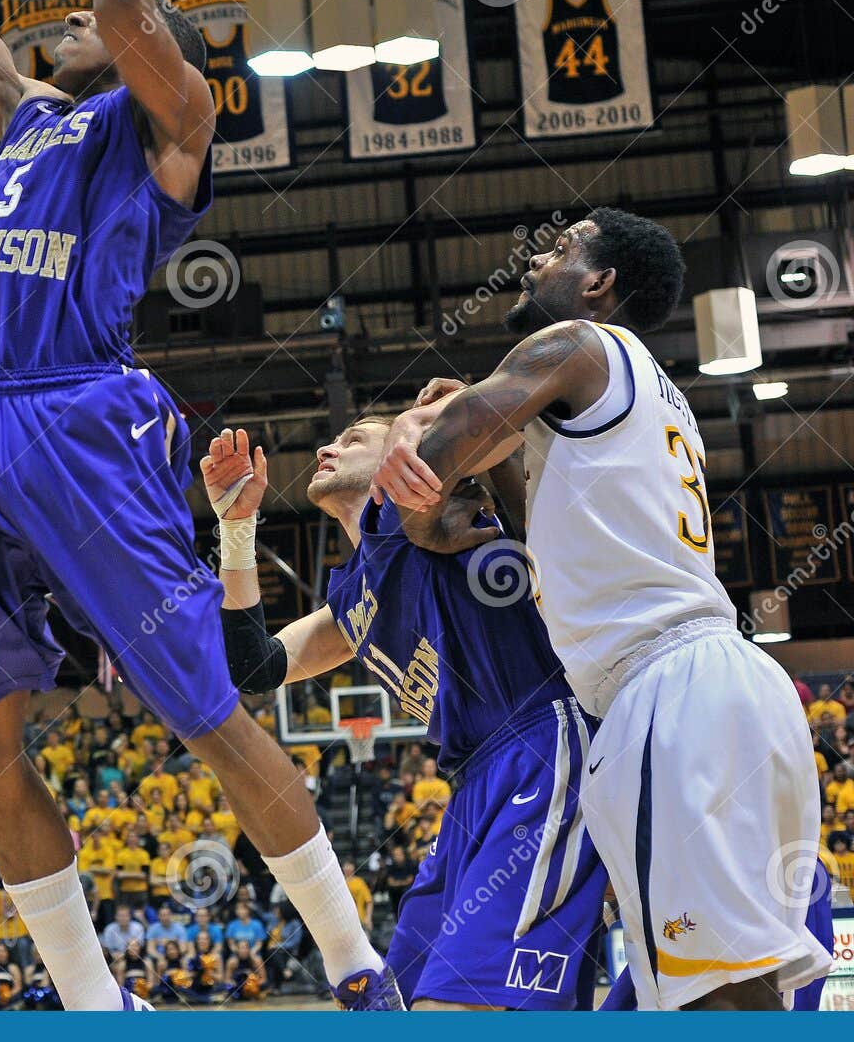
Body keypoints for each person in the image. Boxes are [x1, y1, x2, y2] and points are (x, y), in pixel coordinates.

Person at [0, 0, 388, 1010]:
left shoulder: (169, 120)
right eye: (58, 24)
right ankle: (94, 1005)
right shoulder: (25, 119)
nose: (72, 21)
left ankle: (352, 960)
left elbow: (120, 5)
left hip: (79, 414)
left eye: (94, 25)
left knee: (204, 706)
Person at [373, 206, 834, 1010]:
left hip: (669, 690)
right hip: (715, 687)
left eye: (557, 251)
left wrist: (431, 478)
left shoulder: (579, 343)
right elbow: (539, 528)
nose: (532, 262)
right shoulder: (641, 389)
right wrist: (491, 456)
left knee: (712, 998)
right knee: (728, 987)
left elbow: (427, 478)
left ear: (598, 282)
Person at [202, 419, 608, 1010]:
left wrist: (424, 425)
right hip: (471, 787)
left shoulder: (419, 513)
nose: (328, 445)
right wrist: (236, 527)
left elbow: (487, 426)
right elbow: (252, 667)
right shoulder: (351, 598)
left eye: (354, 437)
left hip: (544, 751)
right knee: (401, 1003)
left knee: (459, 1011)